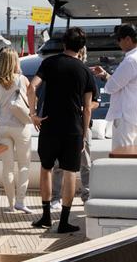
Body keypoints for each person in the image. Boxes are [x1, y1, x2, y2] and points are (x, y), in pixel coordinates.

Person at [28, 27, 96, 233]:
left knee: (46, 169)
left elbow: (31, 88)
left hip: (49, 124)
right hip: (73, 129)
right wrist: (84, 134)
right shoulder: (85, 71)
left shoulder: (49, 63)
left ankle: (46, 217)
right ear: (82, 47)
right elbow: (87, 109)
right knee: (70, 173)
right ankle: (64, 221)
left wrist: (33, 114)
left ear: (64, 44)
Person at [51, 45, 98, 205]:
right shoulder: (61, 73)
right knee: (58, 163)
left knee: (85, 163)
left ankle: (87, 196)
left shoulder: (86, 73)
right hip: (64, 123)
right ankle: (56, 197)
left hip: (82, 124)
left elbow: (95, 102)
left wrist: (86, 108)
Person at [92, 23, 137, 151]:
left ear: (128, 39)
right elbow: (124, 83)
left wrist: (107, 79)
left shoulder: (131, 60)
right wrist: (106, 75)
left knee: (122, 158)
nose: (118, 43)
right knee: (132, 157)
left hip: (125, 118)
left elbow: (110, 88)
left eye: (119, 39)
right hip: (135, 115)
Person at [0, 48, 33, 214]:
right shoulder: (23, 80)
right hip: (20, 127)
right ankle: (20, 202)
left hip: (3, 128)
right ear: (15, 62)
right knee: (23, 166)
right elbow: (31, 105)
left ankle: (10, 204)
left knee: (7, 167)